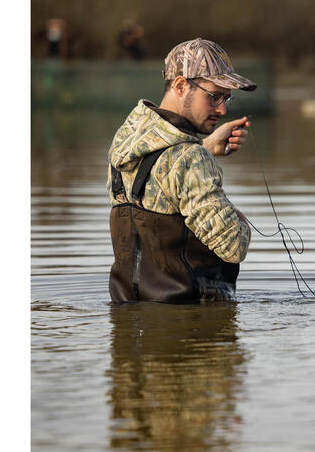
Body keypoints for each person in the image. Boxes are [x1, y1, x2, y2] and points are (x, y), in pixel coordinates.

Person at [107, 38, 256, 304]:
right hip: (193, 328)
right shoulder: (190, 159)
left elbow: (157, 180)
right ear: (180, 85)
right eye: (214, 96)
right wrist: (241, 220)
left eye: (227, 98)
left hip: (127, 327)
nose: (222, 109)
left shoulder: (124, 141)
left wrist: (205, 146)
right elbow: (233, 246)